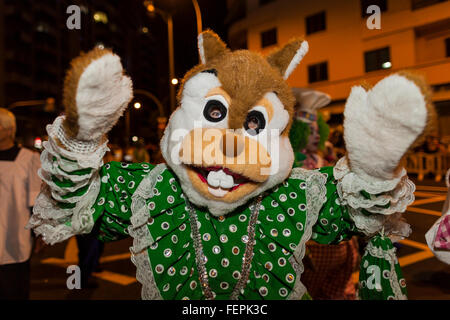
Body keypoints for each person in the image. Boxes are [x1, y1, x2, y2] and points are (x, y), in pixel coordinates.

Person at [289, 89, 359, 300]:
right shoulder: (289, 167)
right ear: (296, 132)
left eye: (317, 129)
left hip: (337, 250)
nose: (316, 134)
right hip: (310, 253)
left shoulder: (323, 162)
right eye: (309, 130)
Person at [0, 108, 41, 299]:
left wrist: (40, 233)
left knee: (14, 290)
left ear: (9, 130)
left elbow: (36, 201)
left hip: (15, 237)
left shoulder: (29, 159)